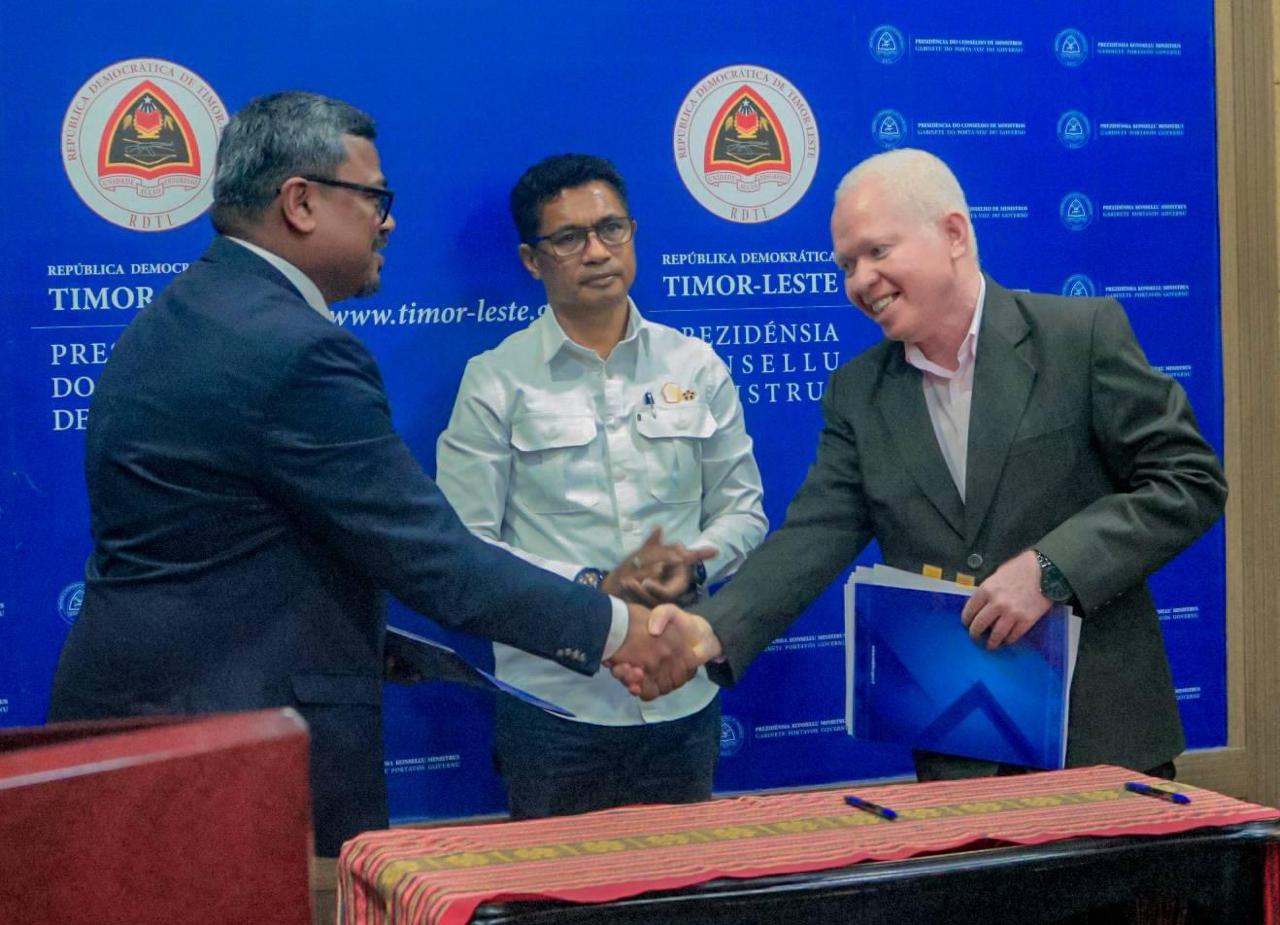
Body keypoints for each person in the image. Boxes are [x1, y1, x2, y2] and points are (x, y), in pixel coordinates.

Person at [46, 92, 697, 856]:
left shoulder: (198, 308)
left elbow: (222, 549)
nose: (388, 221)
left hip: (158, 728)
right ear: (300, 202)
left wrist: (355, 631)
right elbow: (439, 561)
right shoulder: (294, 348)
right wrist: (617, 626)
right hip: (228, 755)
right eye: (375, 198)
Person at [633, 147, 1226, 781]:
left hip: (1102, 740)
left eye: (877, 252)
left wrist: (1051, 569)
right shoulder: (858, 393)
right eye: (847, 265)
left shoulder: (1079, 337)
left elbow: (1188, 480)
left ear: (952, 233)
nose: (860, 280)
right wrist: (707, 631)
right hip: (959, 751)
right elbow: (813, 534)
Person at [436, 153, 767, 818]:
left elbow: (744, 510)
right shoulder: (495, 379)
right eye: (569, 238)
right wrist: (594, 589)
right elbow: (465, 545)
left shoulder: (695, 364)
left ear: (634, 234)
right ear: (533, 260)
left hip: (682, 688)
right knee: (557, 902)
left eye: (612, 229)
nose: (597, 251)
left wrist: (689, 567)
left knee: (682, 896)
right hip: (556, 701)